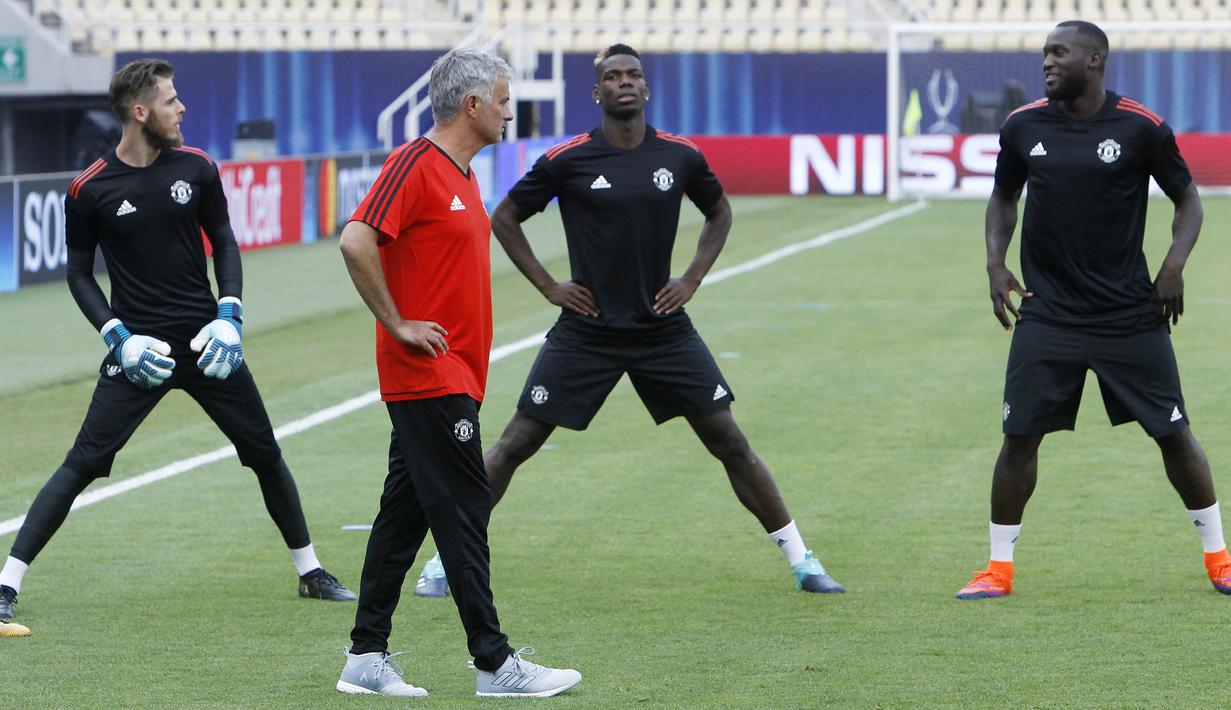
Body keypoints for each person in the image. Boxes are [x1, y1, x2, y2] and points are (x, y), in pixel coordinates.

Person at [413, 44, 844, 600]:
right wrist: (549, 286)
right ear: (597, 93)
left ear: (646, 88)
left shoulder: (680, 156)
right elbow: (506, 217)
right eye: (612, 76)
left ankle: (802, 560)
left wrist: (689, 280)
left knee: (729, 442)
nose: (624, 82)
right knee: (515, 443)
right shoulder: (567, 159)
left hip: (662, 329)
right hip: (586, 332)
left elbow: (719, 212)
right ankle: (446, 560)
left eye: (633, 75)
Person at [0, 58, 355, 623]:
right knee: (86, 460)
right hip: (139, 354)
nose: (181, 108)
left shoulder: (198, 168)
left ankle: (310, 572)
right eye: (171, 101)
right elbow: (77, 273)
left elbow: (226, 243)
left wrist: (229, 316)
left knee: (264, 453)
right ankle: (5, 584)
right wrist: (117, 338)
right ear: (141, 112)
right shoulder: (89, 189)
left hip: (208, 346)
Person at [335, 48, 581, 698]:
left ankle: (364, 655)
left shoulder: (464, 174)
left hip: (456, 378)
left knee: (402, 516)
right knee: (467, 504)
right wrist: (398, 324)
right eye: (502, 99)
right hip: (428, 378)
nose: (509, 109)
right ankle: (494, 663)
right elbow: (355, 239)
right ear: (471, 105)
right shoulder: (413, 164)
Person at [958, 21, 1229, 600]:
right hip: (1048, 313)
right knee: (1019, 437)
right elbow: (1003, 196)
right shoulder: (1022, 125)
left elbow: (1188, 199)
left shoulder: (1141, 127)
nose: (1047, 63)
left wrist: (1174, 264)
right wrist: (995, 262)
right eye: (1045, 54)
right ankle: (997, 571)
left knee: (1174, 434)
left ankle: (1220, 560)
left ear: (1095, 59)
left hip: (1127, 313)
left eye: (1059, 53)